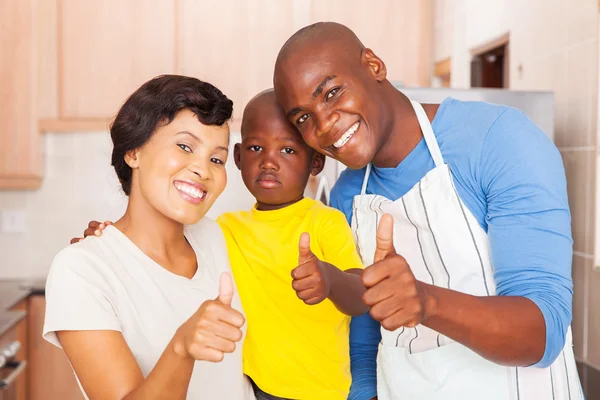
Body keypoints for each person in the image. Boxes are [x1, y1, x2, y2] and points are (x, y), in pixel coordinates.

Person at [272, 22, 582, 400]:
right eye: (303, 117)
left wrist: (426, 302)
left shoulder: (500, 140)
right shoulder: (347, 195)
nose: (323, 126)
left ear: (373, 66)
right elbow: (367, 335)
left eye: (333, 93)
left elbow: (543, 334)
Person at [72, 89, 368, 400]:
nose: (269, 162)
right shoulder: (223, 231)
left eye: (288, 151)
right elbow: (152, 235)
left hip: (320, 391)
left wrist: (330, 279)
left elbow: (361, 296)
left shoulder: (324, 222)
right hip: (258, 388)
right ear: (240, 158)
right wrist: (109, 241)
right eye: (256, 148)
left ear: (316, 163)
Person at [44, 75, 255, 399]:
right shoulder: (81, 271)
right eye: (185, 146)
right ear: (134, 152)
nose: (203, 169)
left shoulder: (216, 238)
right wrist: (182, 348)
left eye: (217, 158)